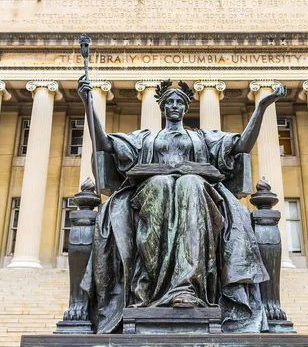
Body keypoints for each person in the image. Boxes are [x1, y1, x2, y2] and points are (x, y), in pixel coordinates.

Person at [78, 77, 287, 333]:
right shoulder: (146, 138)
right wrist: (88, 102)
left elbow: (242, 144)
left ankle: (186, 287)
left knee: (190, 183)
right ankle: (148, 288)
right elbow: (105, 144)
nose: (175, 106)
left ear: (186, 108)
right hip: (153, 192)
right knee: (161, 184)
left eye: (180, 102)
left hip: (196, 194)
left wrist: (261, 108)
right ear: (163, 107)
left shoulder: (202, 138)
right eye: (170, 102)